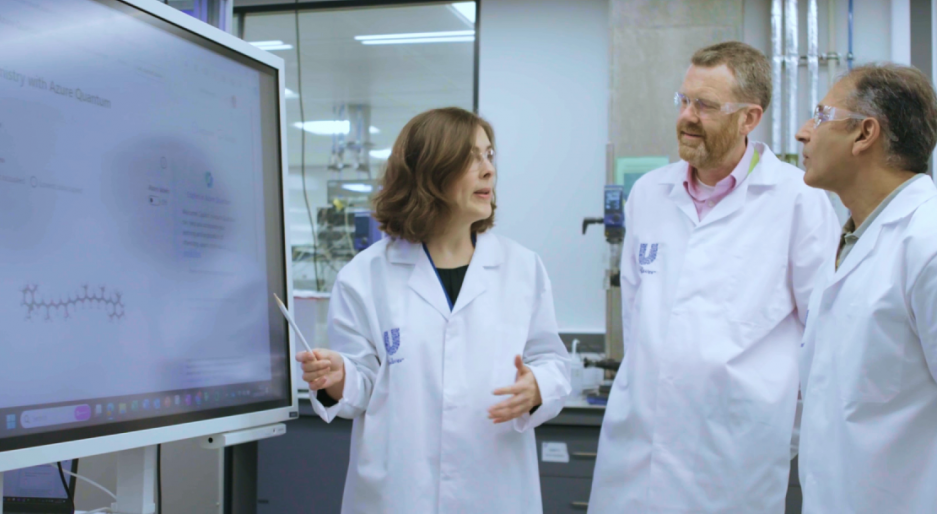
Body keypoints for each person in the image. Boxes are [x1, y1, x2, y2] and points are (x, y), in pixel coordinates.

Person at [588, 41, 839, 513]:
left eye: (705, 105)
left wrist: (773, 431)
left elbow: (822, 340)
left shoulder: (797, 201)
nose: (687, 116)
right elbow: (639, 320)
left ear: (749, 117)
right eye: (684, 100)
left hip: (733, 461)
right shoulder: (648, 195)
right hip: (636, 453)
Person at [295, 107, 571, 514]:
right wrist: (340, 377)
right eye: (471, 158)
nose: (488, 171)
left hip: (494, 489)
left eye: (489, 155)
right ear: (429, 171)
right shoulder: (366, 275)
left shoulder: (521, 268)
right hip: (399, 493)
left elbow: (552, 361)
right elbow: (362, 384)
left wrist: (538, 388)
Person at [794, 63, 937, 513]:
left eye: (820, 116)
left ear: (864, 134)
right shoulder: (852, 240)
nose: (802, 133)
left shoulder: (926, 241)